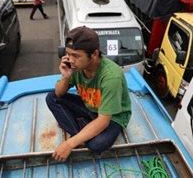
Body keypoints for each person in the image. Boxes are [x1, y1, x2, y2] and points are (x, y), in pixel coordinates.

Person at [46, 26, 132, 162]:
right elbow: (58, 93)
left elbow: (104, 121)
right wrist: (66, 76)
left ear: (94, 54)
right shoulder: (76, 66)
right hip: (91, 106)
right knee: (51, 98)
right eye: (68, 54)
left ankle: (83, 132)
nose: (70, 60)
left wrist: (69, 144)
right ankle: (83, 133)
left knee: (96, 145)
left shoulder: (111, 77)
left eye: (76, 56)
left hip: (112, 116)